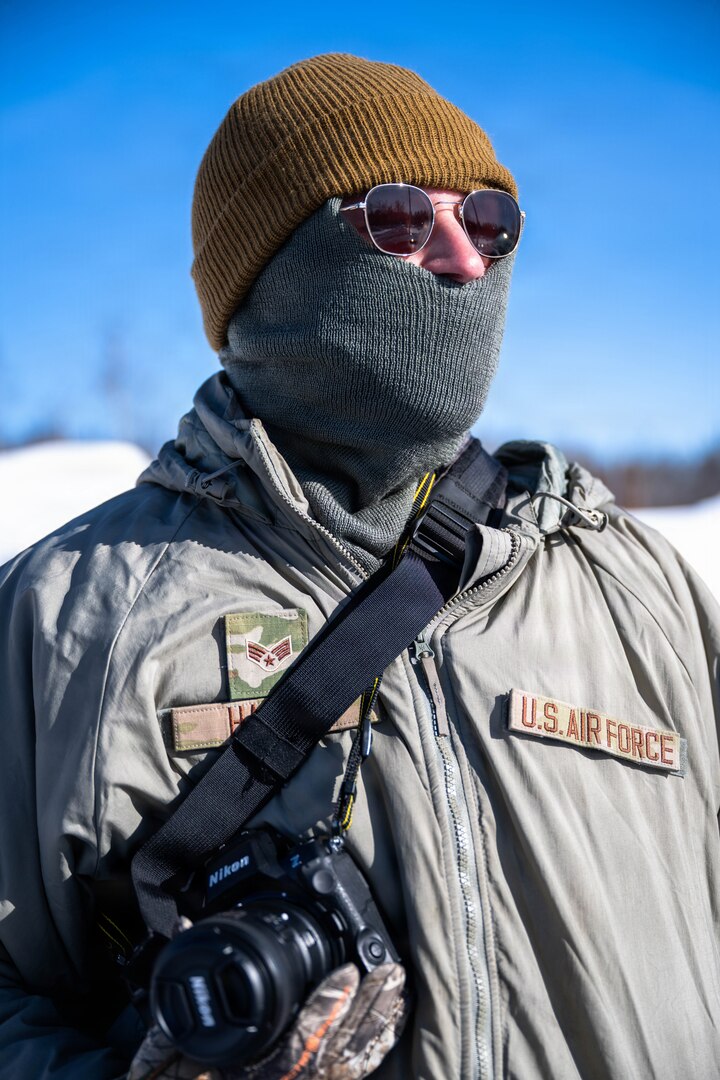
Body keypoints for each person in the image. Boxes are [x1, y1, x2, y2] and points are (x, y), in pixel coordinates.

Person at [0, 52, 718, 1080]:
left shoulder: (638, 587)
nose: (466, 261)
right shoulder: (69, 616)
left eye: (491, 222)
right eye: (398, 218)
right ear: (266, 271)